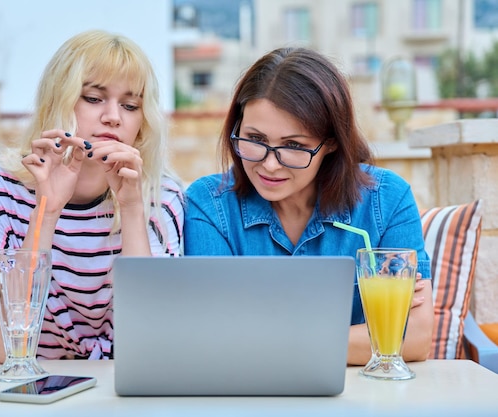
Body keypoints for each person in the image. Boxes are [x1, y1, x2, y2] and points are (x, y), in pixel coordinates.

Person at [183, 47, 434, 365]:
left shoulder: (388, 199)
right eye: (255, 139)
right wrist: (349, 340)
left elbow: (415, 338)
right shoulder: (209, 204)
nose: (270, 165)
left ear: (330, 142)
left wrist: (268, 340)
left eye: (293, 146)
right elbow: (213, 335)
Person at [0, 30, 184, 362]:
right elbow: (2, 346)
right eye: (93, 98)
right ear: (57, 100)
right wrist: (46, 211)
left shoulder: (162, 195)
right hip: (28, 385)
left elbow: (151, 343)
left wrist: (133, 209)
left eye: (130, 105)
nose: (113, 116)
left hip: (121, 386)